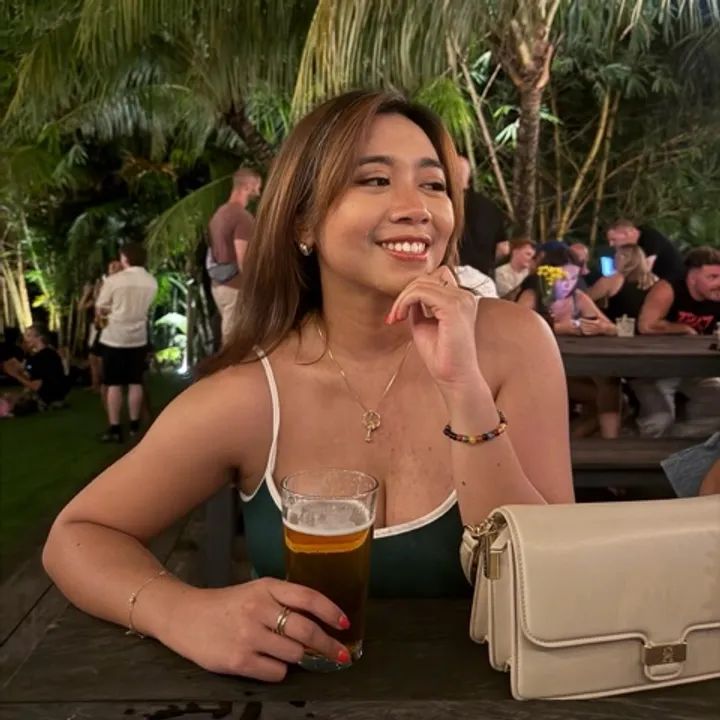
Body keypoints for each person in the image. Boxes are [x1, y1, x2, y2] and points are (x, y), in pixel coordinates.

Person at [42, 90, 574, 682]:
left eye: (433, 185)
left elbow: (559, 578)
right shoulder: (252, 393)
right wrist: (179, 611)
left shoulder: (514, 343)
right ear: (303, 222)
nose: (417, 208)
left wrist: (464, 388)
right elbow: (77, 535)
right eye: (374, 180)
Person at [517, 247, 621, 439]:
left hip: (576, 366)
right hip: (539, 370)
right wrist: (559, 328)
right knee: (607, 398)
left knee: (611, 385)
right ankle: (568, 442)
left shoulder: (577, 297)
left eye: (573, 278)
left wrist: (600, 327)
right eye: (563, 278)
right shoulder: (533, 296)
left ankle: (606, 444)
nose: (568, 284)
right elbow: (515, 328)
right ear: (547, 276)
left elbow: (613, 328)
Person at [633, 246, 720, 437]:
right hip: (655, 367)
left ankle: (680, 443)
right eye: (712, 277)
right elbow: (646, 326)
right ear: (693, 277)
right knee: (659, 419)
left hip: (695, 368)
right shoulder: (668, 288)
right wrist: (684, 329)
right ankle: (654, 452)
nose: (718, 283)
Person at [95, 242, 158, 442]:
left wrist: (107, 313)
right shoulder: (151, 281)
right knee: (135, 381)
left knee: (113, 384)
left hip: (115, 336)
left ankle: (115, 428)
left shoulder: (115, 280)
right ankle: (134, 424)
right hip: (138, 337)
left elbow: (101, 307)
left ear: (125, 258)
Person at [207, 168, 262, 342]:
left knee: (231, 337)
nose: (258, 191)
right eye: (257, 187)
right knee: (234, 342)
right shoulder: (242, 217)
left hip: (218, 286)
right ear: (248, 187)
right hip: (235, 288)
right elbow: (243, 258)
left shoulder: (218, 214)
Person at [456, 156, 508, 277]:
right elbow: (504, 249)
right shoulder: (489, 206)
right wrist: (486, 262)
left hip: (448, 275)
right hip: (482, 277)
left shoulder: (442, 203)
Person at [80, 261, 123, 394]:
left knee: (102, 358)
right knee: (93, 357)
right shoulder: (104, 289)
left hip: (112, 327)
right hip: (100, 327)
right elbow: (81, 308)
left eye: (115, 268)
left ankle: (108, 384)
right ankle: (96, 384)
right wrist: (87, 294)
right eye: (110, 268)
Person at [588, 244, 658, 321]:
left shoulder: (614, 279)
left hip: (615, 325)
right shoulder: (654, 280)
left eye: (615, 256)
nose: (613, 260)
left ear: (622, 257)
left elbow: (586, 298)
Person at [606, 219, 685, 283]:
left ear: (626, 234)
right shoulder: (640, 234)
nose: (611, 244)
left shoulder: (650, 240)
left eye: (613, 239)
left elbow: (644, 271)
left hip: (674, 281)